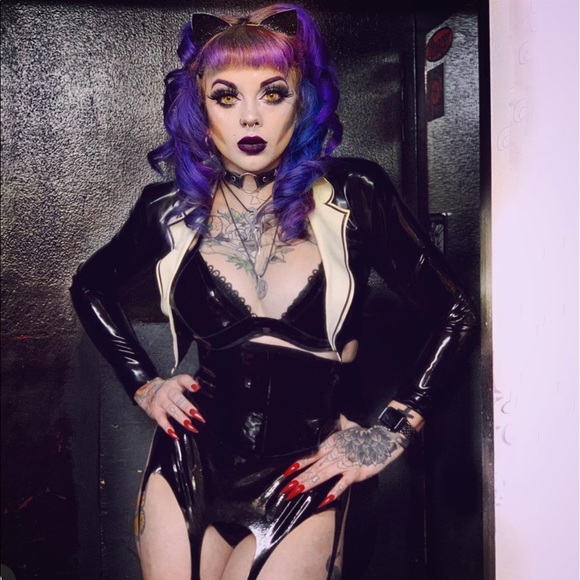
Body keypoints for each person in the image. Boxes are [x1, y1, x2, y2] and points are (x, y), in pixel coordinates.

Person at [70, 4, 477, 579]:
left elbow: (455, 311)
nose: (250, 117)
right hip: (191, 458)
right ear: (200, 109)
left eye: (273, 93)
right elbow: (90, 286)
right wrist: (145, 384)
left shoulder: (356, 193)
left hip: (305, 464)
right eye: (226, 96)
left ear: (301, 102)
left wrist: (392, 430)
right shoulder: (167, 211)